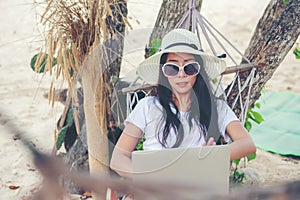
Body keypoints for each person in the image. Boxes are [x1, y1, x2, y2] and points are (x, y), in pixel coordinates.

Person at [110, 29, 256, 180]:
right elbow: (118, 158)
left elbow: (247, 143)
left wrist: (213, 156)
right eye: (172, 68)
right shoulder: (147, 107)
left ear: (199, 72)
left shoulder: (216, 108)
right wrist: (145, 178)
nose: (181, 74)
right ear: (163, 72)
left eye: (189, 68)